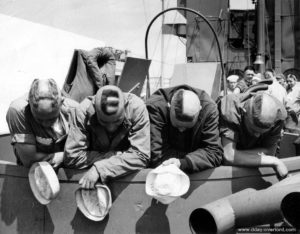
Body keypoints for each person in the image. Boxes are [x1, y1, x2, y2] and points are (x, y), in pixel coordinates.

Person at [64, 85, 150, 189]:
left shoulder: (136, 108)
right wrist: (117, 155)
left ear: (125, 106)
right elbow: (72, 157)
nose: (111, 128)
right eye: (104, 122)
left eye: (118, 121)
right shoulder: (83, 111)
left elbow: (141, 156)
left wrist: (101, 168)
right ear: (95, 108)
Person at [146, 85, 223, 173]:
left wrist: (183, 163)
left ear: (200, 111)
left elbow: (214, 152)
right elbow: (156, 154)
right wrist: (199, 158)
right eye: (177, 126)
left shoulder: (209, 109)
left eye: (187, 127)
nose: (181, 130)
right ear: (169, 107)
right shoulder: (155, 107)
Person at [6, 78, 79, 168]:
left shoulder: (75, 110)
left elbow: (86, 151)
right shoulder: (19, 111)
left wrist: (64, 156)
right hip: (33, 173)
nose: (45, 124)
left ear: (61, 103)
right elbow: (30, 160)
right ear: (29, 104)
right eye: (39, 119)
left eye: (52, 119)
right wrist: (67, 156)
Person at [219, 92, 289, 179]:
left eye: (262, 132)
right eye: (253, 130)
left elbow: (269, 152)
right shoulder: (231, 108)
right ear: (244, 113)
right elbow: (228, 157)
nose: (257, 136)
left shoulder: (278, 116)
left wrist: (237, 156)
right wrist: (275, 161)